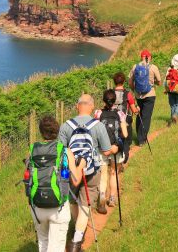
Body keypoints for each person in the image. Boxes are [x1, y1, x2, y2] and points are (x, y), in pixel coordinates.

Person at [58, 94, 115, 252]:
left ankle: (77, 229)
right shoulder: (98, 125)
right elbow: (106, 150)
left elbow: (60, 152)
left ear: (77, 106)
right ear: (91, 106)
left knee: (74, 201)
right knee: (85, 203)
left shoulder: (65, 126)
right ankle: (77, 240)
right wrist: (114, 148)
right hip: (91, 171)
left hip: (71, 172)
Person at [23, 116, 71, 252]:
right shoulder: (62, 149)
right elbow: (67, 175)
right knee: (56, 247)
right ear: (57, 131)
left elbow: (28, 175)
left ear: (41, 131)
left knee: (43, 242)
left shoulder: (33, 150)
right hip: (58, 206)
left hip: (37, 204)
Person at [94, 89, 128, 211]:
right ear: (115, 101)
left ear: (103, 100)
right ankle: (112, 198)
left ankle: (102, 199)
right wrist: (117, 145)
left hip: (102, 149)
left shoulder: (98, 114)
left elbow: (95, 132)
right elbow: (125, 133)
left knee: (103, 174)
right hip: (115, 149)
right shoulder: (120, 114)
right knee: (114, 173)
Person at [128, 50, 161, 146]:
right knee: (146, 117)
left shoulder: (135, 67)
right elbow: (159, 81)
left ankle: (139, 136)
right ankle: (142, 140)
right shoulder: (153, 67)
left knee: (139, 115)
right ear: (149, 57)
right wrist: (154, 83)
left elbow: (130, 81)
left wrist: (134, 90)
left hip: (138, 95)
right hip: (150, 94)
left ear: (141, 57)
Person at [112, 72, 138, 164]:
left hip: (112, 120)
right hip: (125, 120)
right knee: (126, 139)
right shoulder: (128, 94)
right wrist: (137, 109)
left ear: (114, 82)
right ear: (123, 82)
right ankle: (125, 154)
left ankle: (116, 158)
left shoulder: (110, 93)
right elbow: (133, 109)